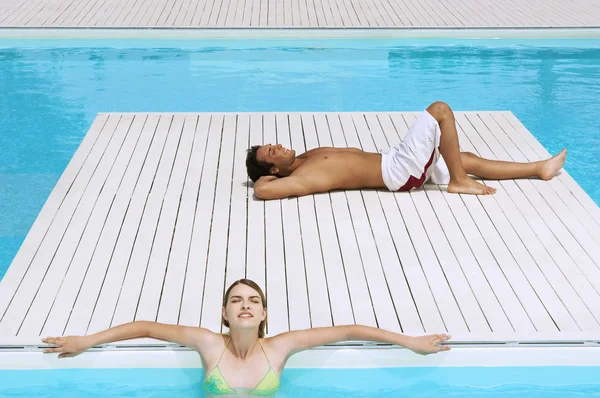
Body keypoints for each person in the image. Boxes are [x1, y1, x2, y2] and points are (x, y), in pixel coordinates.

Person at [42, 279, 450, 396]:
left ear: (264, 313)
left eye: (254, 301)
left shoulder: (280, 347)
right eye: (236, 300)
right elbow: (145, 326)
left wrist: (410, 341)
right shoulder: (208, 344)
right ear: (224, 312)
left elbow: (349, 329)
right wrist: (85, 341)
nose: (245, 306)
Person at [245, 101, 567, 200]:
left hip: (393, 160)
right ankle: (458, 182)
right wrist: (263, 179)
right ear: (273, 170)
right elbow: (261, 191)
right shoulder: (302, 177)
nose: (277, 146)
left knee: (463, 158)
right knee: (440, 110)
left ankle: (537, 169)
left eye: (272, 144)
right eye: (271, 153)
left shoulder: (306, 157)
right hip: (397, 173)